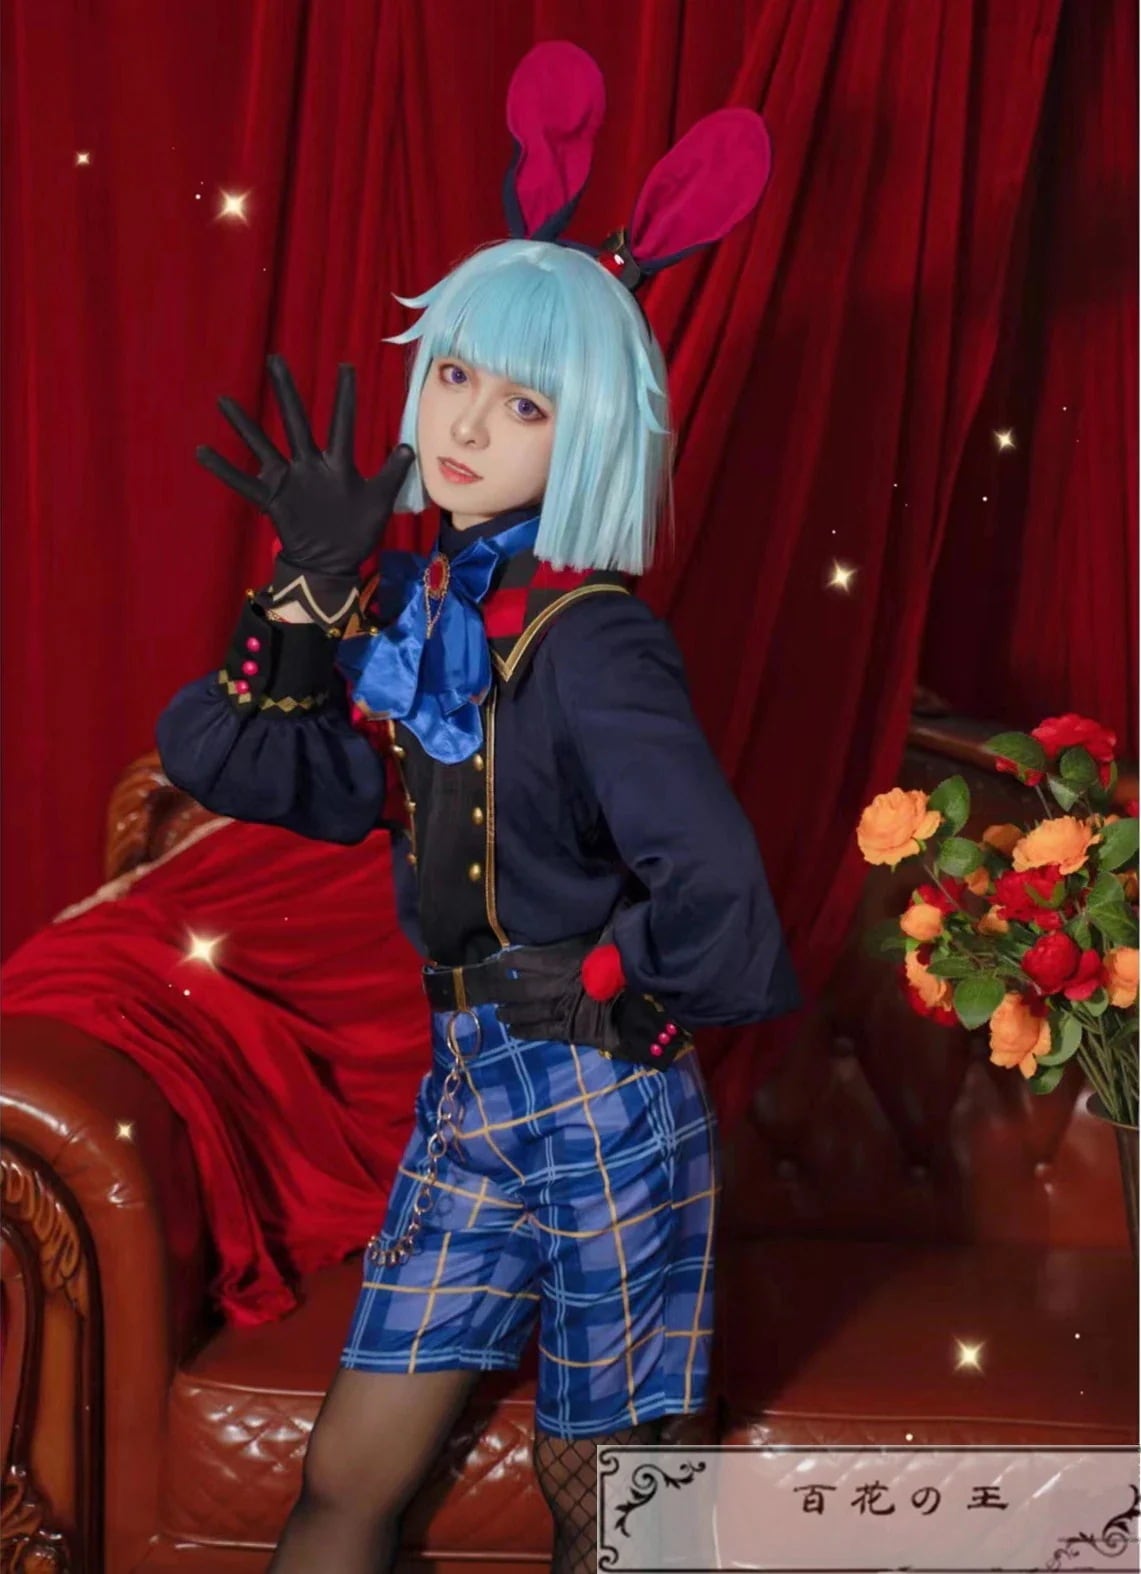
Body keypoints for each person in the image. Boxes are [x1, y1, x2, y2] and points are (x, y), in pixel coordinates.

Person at [155, 42, 801, 1574]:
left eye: (523, 401)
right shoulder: (422, 609)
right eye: (453, 373)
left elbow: (716, 882)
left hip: (597, 1097)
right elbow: (239, 760)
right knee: (346, 1473)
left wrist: (604, 976)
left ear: (590, 434)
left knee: (611, 1509)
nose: (465, 424)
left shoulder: (595, 642)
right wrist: (305, 591)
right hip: (465, 1097)